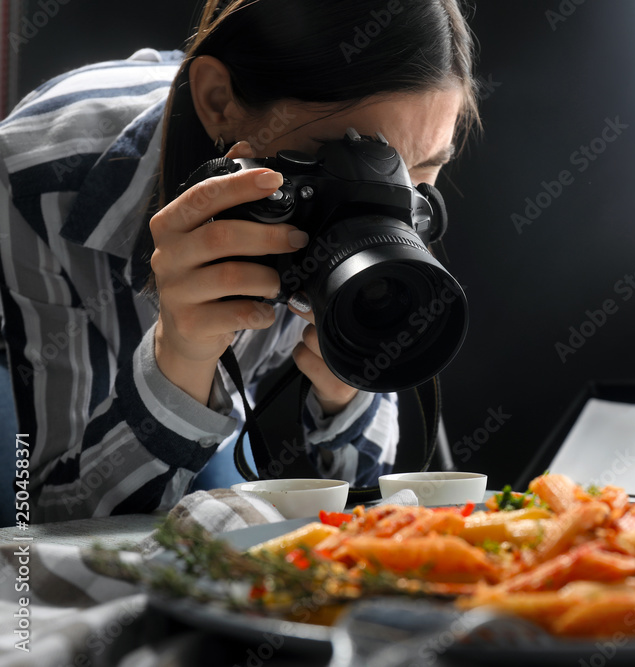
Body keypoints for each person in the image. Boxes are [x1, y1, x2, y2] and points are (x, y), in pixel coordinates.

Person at [0, 0, 479, 523]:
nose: (387, 202)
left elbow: (356, 515)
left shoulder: (401, 203)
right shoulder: (34, 184)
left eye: (419, 175)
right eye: (348, 161)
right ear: (218, 102)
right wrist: (179, 354)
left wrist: (345, 392)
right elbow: (50, 523)